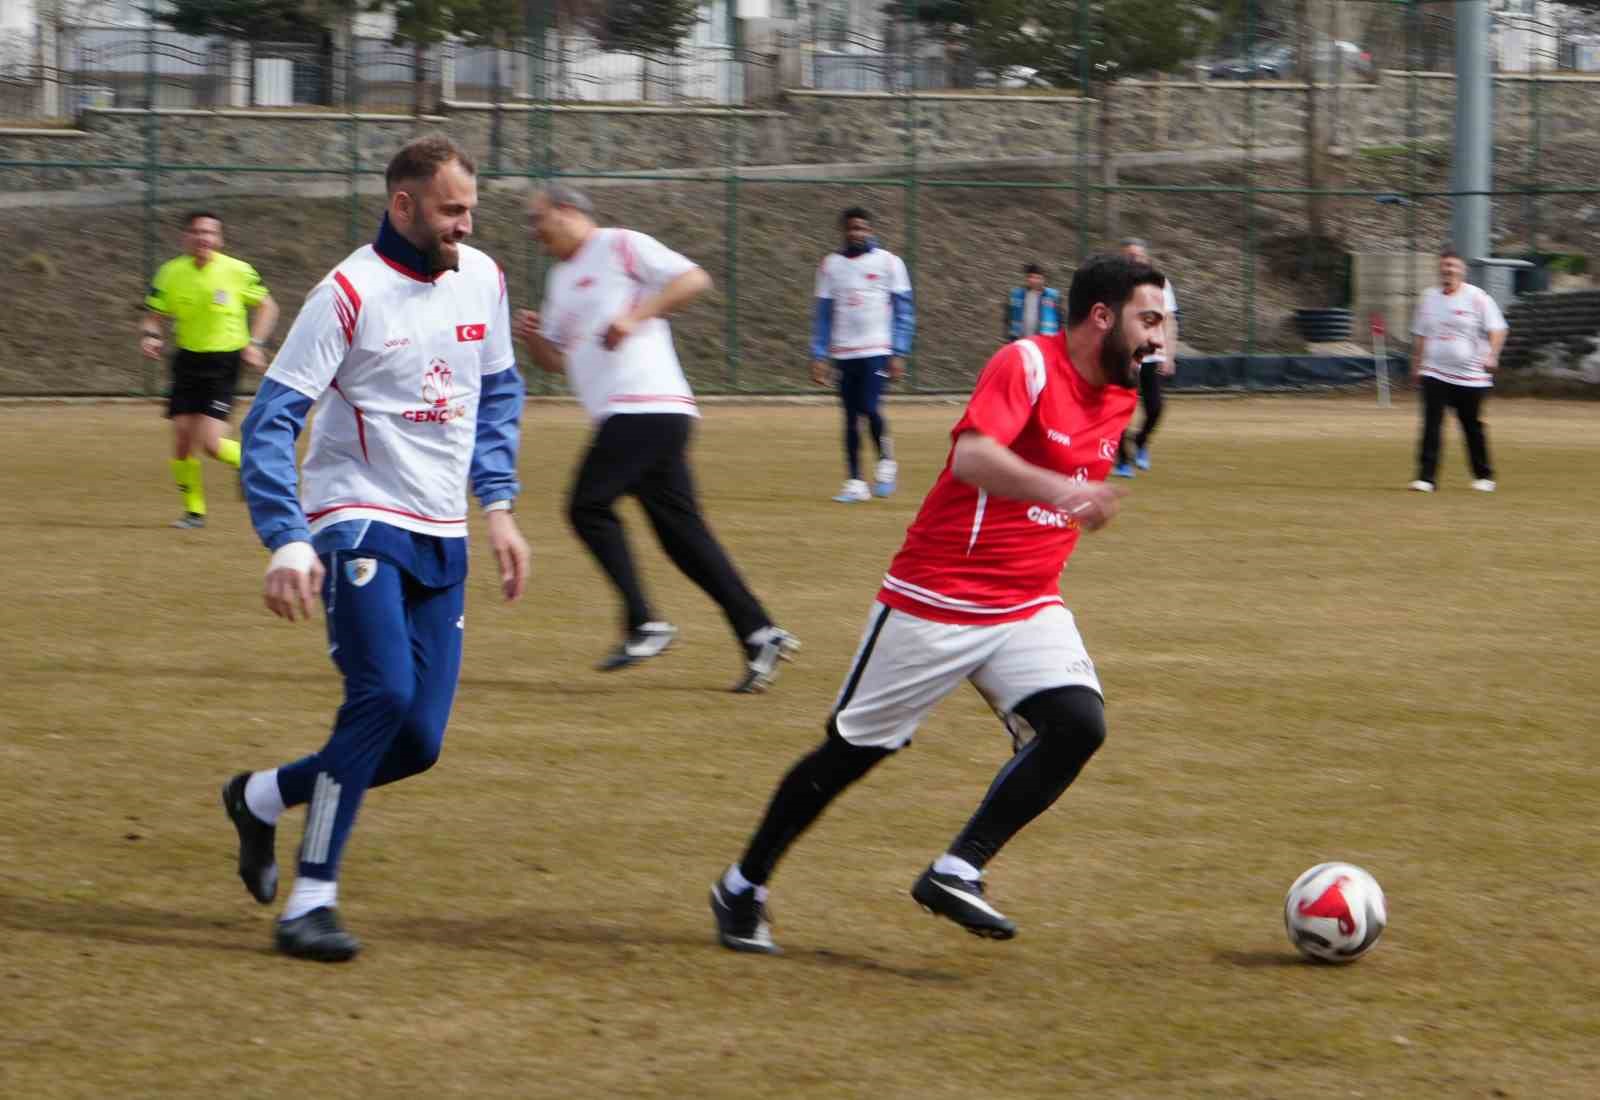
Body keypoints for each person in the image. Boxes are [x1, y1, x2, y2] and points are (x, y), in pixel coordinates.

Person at [709, 254, 1168, 954]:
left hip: (1027, 603)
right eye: (1150, 320)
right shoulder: (1026, 364)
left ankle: (958, 869)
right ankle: (742, 886)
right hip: (938, 595)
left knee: (1079, 724)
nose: (1159, 338)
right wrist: (1065, 492)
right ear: (1101, 316)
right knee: (851, 753)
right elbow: (972, 459)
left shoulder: (1122, 392)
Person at [225, 135, 531, 962]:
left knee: (418, 741)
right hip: (357, 517)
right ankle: (310, 899)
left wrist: (498, 506)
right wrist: (288, 539)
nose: (463, 225)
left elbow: (499, 392)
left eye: (471, 209)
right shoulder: (347, 293)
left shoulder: (486, 278)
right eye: (450, 209)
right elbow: (271, 423)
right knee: (382, 696)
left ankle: (260, 797)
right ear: (403, 205)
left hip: (442, 529)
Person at [514, 184, 798, 693]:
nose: (533, 231)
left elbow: (694, 279)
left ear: (567, 210)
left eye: (538, 219)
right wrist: (536, 341)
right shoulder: (559, 280)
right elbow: (557, 360)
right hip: (627, 416)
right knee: (683, 538)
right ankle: (759, 632)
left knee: (587, 506)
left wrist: (634, 316)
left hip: (647, 405)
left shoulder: (622, 244)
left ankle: (644, 622)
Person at [141, 211, 279, 528]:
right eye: (196, 232)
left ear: (219, 238)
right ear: (185, 237)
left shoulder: (237, 271)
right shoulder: (170, 273)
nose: (203, 237)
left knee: (212, 443)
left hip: (223, 362)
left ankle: (250, 464)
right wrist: (151, 335)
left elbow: (268, 306)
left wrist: (255, 343)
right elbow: (154, 315)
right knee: (181, 439)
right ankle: (194, 511)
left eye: (210, 232)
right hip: (187, 361)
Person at [810, 206, 915, 503]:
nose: (857, 233)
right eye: (852, 228)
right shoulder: (830, 265)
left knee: (869, 407)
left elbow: (904, 311)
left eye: (862, 228)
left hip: (876, 349)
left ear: (870, 231)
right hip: (844, 351)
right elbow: (823, 315)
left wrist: (899, 351)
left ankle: (886, 461)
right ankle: (855, 482)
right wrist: (818, 354)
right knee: (849, 417)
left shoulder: (889, 262)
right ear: (843, 231)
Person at [1408, 248, 1507, 493]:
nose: (1448, 270)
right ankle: (1426, 478)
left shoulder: (1477, 297)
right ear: (1439, 270)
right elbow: (1421, 334)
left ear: (1462, 270)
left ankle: (1484, 476)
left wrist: (1492, 354)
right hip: (1435, 372)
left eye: (1452, 266)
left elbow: (1498, 328)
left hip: (1471, 376)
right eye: (1444, 266)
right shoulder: (1428, 298)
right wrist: (1417, 363)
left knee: (1471, 425)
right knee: (1431, 424)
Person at [1111, 238, 1178, 478]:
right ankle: (1122, 460)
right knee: (1118, 408)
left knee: (1156, 408)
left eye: (1137, 255)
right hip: (1124, 354)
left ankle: (1140, 441)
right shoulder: (1115, 283)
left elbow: (1169, 320)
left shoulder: (1160, 284)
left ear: (1145, 258)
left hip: (1152, 355)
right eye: (1129, 255)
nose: (1133, 259)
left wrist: (1169, 354)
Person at [1004, 262, 1061, 342]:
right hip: (1020, 340)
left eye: (1038, 278)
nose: (1034, 280)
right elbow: (1008, 319)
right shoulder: (1016, 295)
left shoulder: (1053, 296)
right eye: (1031, 277)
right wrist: (1008, 339)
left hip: (1045, 342)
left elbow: (1060, 322)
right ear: (1027, 278)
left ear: (1043, 279)